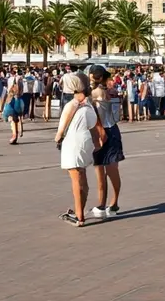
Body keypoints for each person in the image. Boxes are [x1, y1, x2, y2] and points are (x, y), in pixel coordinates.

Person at [54, 72, 103, 226]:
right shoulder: (89, 105)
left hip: (72, 141)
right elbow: (93, 124)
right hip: (84, 140)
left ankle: (79, 216)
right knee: (83, 175)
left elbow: (62, 127)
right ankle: (79, 210)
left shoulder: (72, 105)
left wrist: (58, 137)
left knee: (75, 178)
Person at [88, 65, 123, 219]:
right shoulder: (101, 91)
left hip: (106, 130)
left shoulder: (97, 92)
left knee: (107, 169)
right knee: (103, 170)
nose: (92, 77)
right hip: (106, 130)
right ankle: (106, 203)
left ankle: (109, 203)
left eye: (95, 75)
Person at [0, 76, 25, 144]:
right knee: (16, 118)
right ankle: (17, 133)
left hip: (11, 100)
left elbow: (7, 92)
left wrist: (1, 106)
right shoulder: (20, 80)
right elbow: (22, 92)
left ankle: (14, 135)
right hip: (19, 100)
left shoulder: (10, 79)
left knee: (13, 119)